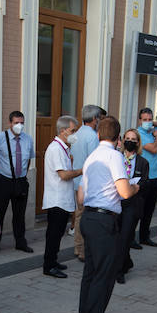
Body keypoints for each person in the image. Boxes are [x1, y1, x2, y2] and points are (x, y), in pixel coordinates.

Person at [76, 115, 136, 313]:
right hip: (104, 221)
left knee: (91, 271)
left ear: (99, 134)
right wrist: (135, 187)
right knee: (104, 274)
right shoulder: (114, 156)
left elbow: (81, 196)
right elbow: (124, 192)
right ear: (118, 138)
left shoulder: (92, 157)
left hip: (89, 218)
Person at [0, 110, 35, 255]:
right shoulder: (0, 138)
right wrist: (2, 167)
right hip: (3, 180)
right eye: (16, 123)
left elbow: (28, 159)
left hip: (20, 181)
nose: (19, 126)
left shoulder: (28, 139)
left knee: (19, 215)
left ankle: (21, 242)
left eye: (21, 123)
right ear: (10, 123)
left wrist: (22, 175)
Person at [40, 115, 80, 278]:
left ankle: (53, 261)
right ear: (63, 131)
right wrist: (81, 170)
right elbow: (63, 175)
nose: (74, 134)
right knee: (54, 234)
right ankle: (48, 266)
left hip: (63, 198)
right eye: (72, 130)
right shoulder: (55, 148)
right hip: (57, 199)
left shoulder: (64, 147)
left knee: (57, 234)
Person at [70, 104, 105, 261]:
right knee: (85, 218)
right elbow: (94, 161)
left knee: (79, 216)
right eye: (98, 118)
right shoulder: (91, 136)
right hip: (86, 183)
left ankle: (78, 248)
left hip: (76, 181)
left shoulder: (77, 134)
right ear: (94, 119)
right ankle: (83, 251)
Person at [116, 126, 148, 284]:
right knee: (118, 237)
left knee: (126, 236)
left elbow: (144, 183)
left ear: (138, 143)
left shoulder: (143, 162)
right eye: (127, 139)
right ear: (122, 140)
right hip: (116, 202)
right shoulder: (116, 158)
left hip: (132, 204)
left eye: (133, 140)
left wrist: (134, 187)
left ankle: (119, 270)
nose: (130, 142)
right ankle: (126, 261)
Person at [135, 107, 157, 247]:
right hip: (145, 176)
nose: (148, 122)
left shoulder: (152, 130)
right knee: (139, 209)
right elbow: (154, 149)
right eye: (145, 120)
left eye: (150, 119)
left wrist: (153, 124)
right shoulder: (139, 134)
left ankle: (145, 237)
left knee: (150, 209)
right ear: (140, 121)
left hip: (155, 175)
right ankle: (132, 238)